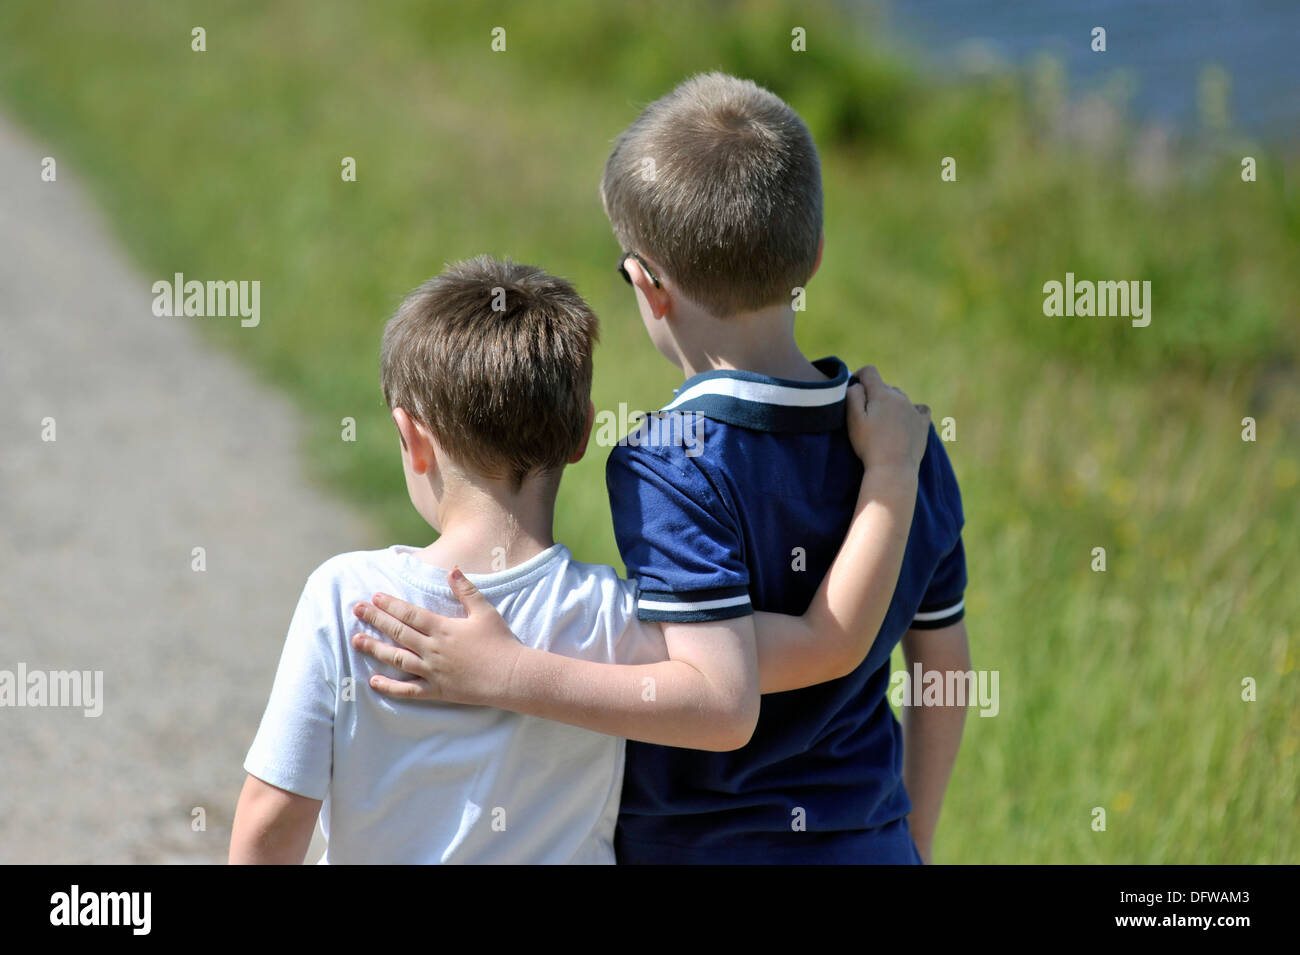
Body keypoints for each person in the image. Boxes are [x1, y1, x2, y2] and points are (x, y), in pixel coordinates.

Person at [356, 72, 970, 865]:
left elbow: (715, 692)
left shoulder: (667, 462)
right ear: (813, 256)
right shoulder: (906, 442)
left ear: (647, 285)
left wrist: (504, 669)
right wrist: (912, 840)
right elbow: (942, 667)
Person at [230, 254, 929, 864]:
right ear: (582, 435)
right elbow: (826, 641)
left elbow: (269, 820)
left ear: (410, 438)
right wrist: (890, 476)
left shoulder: (349, 597)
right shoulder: (629, 626)